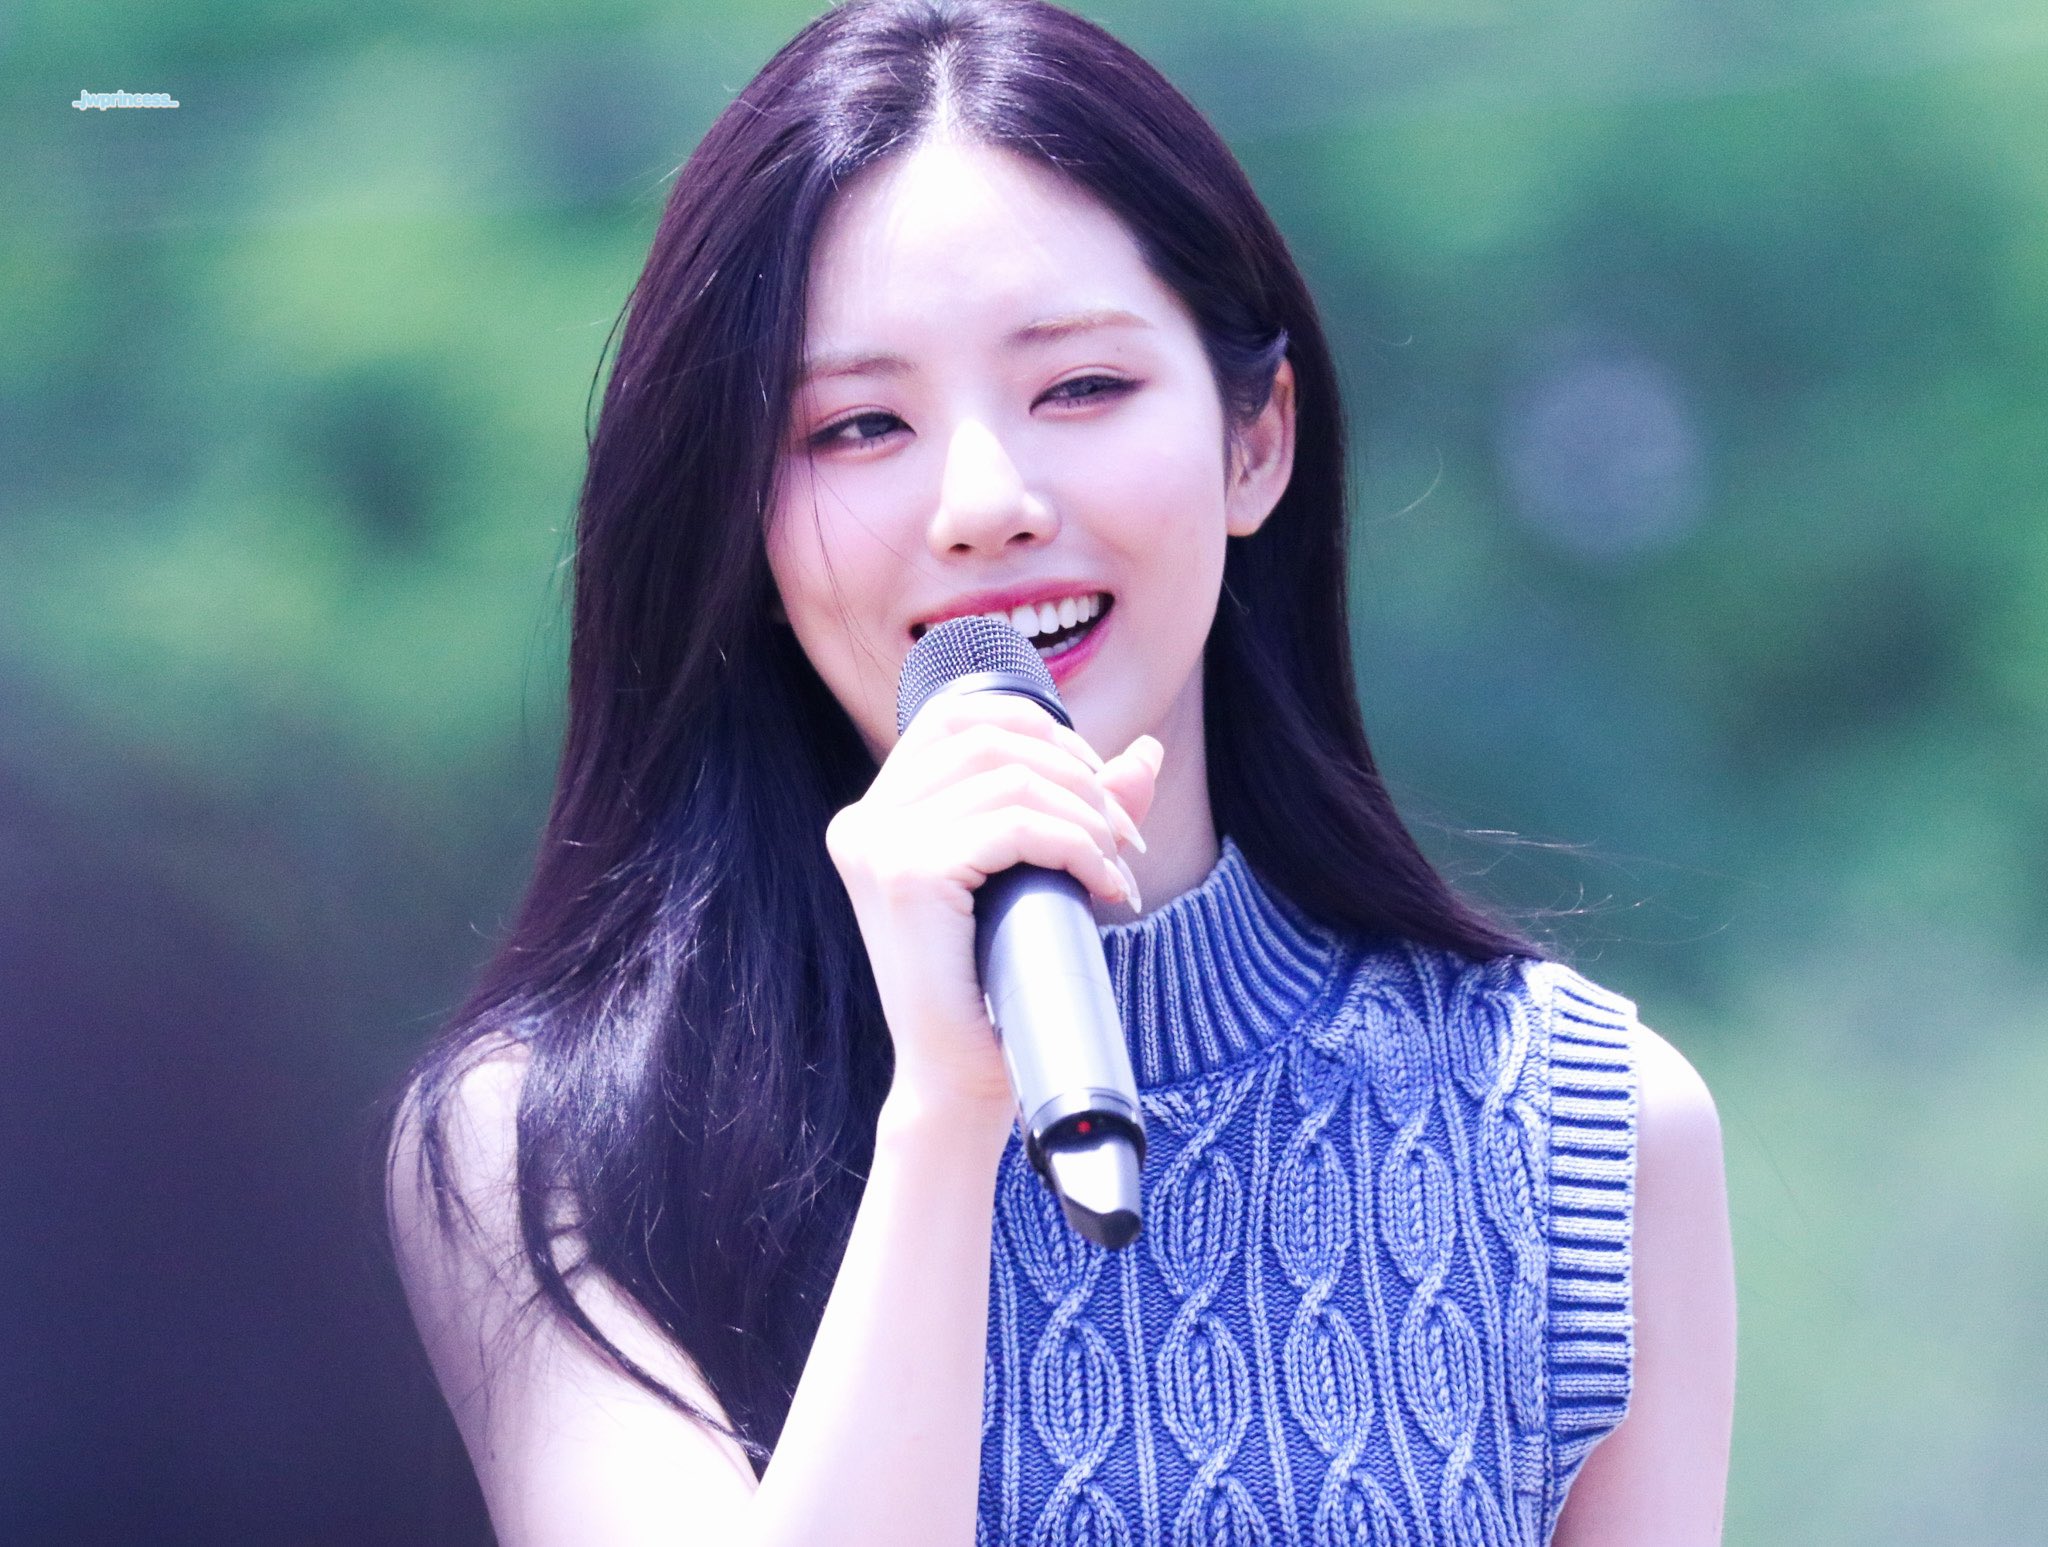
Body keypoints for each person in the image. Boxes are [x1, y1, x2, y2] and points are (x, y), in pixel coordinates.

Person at [385, 2, 1737, 1543]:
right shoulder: (555, 1154)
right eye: (858, 426)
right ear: (746, 524)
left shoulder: (1583, 1134)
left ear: (1255, 441)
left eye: (1082, 388)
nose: (984, 501)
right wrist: (949, 1109)